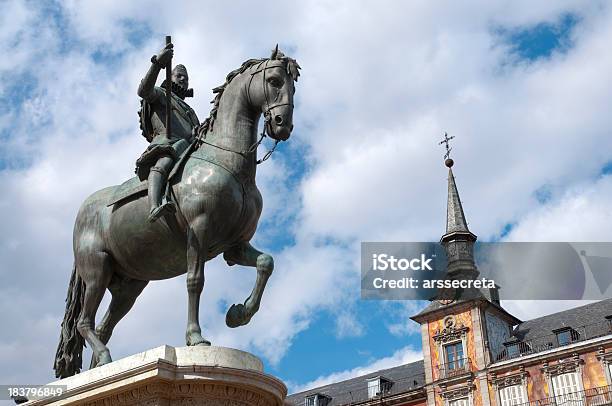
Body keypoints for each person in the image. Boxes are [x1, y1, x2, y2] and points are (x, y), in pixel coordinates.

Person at [135, 43, 200, 222]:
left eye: (185, 78)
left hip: (189, 150)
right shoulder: (161, 94)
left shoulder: (190, 109)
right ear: (169, 76)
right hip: (168, 145)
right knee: (165, 162)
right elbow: (143, 91)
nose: (182, 80)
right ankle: (154, 206)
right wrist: (158, 64)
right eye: (178, 76)